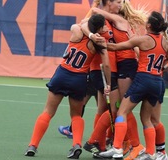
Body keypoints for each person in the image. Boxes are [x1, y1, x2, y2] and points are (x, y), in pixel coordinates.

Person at [24, 14, 111, 159]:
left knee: (48, 112)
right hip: (79, 79)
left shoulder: (78, 32)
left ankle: (33, 145)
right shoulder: (100, 42)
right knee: (76, 115)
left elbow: (77, 25)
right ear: (100, 28)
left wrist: (88, 31)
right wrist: (108, 83)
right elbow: (106, 64)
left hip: (62, 74)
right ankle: (76, 145)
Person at [97, 11, 168, 160]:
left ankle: (117, 148)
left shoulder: (143, 40)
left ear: (149, 25)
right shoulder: (165, 42)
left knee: (122, 112)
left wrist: (101, 43)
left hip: (143, 79)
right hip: (157, 82)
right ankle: (151, 153)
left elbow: (115, 47)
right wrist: (164, 66)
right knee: (146, 119)